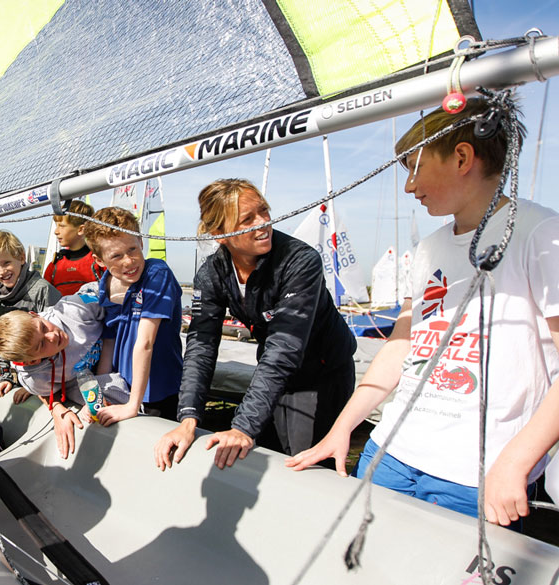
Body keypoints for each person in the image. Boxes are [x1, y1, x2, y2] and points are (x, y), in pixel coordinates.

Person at [288, 98, 559, 527]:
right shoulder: (428, 249)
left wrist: (516, 463)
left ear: (462, 157)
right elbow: (401, 348)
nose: (409, 187)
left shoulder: (542, 234)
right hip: (389, 453)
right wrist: (343, 427)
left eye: (412, 166)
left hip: (477, 475)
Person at [155, 179, 357, 472]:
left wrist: (242, 427)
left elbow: (283, 349)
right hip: (274, 371)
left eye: (264, 211)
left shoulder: (300, 261)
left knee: (303, 463)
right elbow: (201, 344)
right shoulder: (212, 274)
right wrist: (188, 418)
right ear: (220, 234)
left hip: (322, 372)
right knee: (263, 454)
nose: (263, 223)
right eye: (247, 219)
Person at [0, 296, 131, 459]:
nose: (52, 336)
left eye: (43, 327)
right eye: (42, 345)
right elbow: (44, 391)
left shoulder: (74, 309)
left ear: (35, 315)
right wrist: (57, 408)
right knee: (99, 403)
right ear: (33, 361)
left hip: (118, 348)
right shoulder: (35, 376)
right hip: (80, 379)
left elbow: (113, 296)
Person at [83, 206, 183, 424]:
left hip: (159, 390)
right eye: (116, 256)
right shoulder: (106, 285)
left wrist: (133, 405)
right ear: (100, 260)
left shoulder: (157, 273)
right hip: (123, 388)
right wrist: (103, 392)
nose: (128, 261)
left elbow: (145, 342)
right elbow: (109, 342)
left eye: (132, 250)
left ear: (141, 243)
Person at [0, 230, 61, 403]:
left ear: (21, 258)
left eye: (6, 263)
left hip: (45, 374)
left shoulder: (41, 291)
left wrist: (33, 385)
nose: (2, 271)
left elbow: (56, 340)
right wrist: (4, 374)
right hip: (18, 369)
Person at [44, 199, 103, 295]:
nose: (56, 231)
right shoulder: (54, 266)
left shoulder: (99, 262)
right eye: (56, 226)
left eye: (62, 226)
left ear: (81, 229)